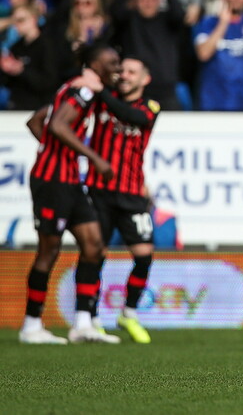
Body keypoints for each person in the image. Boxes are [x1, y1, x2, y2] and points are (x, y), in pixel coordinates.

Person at [20, 44, 121, 345]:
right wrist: (95, 158)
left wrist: (58, 153)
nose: (116, 67)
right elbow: (58, 125)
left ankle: (82, 324)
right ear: (94, 63)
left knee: (94, 245)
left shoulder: (75, 87)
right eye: (111, 62)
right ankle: (31, 326)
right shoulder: (84, 92)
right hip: (52, 182)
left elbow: (36, 121)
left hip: (68, 181)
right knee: (49, 251)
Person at [85, 57, 160, 344]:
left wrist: (100, 89)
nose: (125, 76)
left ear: (145, 79)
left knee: (143, 255)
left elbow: (133, 117)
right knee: (95, 254)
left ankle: (128, 312)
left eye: (132, 72)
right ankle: (90, 318)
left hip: (131, 194)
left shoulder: (150, 107)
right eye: (122, 71)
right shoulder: (102, 99)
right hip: (99, 191)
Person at [2, 3, 59, 110]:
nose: (16, 25)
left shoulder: (48, 46)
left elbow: (50, 81)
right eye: (14, 21)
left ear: (33, 19)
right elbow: (8, 83)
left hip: (40, 107)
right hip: (17, 105)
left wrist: (22, 71)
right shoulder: (16, 47)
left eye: (21, 20)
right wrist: (6, 69)